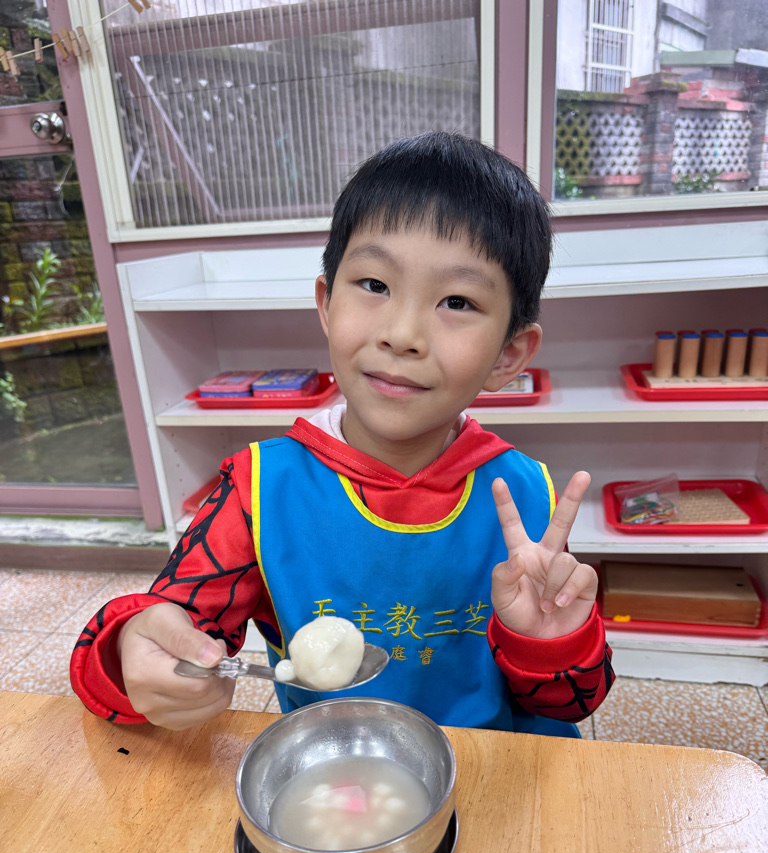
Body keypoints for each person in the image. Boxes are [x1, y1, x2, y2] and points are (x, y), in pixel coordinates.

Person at [71, 131, 614, 736]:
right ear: (327, 304)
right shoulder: (259, 492)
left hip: (496, 765)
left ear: (509, 355)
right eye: (375, 285)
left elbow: (569, 705)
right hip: (335, 766)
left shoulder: (526, 496)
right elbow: (166, 626)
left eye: (457, 301)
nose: (401, 334)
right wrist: (134, 653)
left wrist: (549, 641)